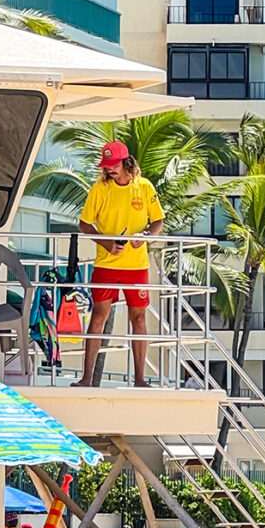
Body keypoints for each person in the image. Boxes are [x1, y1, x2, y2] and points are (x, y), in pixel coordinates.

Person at [75, 141, 164, 389]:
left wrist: (145, 236)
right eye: (106, 165)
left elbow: (158, 221)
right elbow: (84, 224)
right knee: (98, 316)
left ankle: (139, 379)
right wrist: (105, 244)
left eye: (113, 164)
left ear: (126, 162)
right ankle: (86, 378)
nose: (109, 169)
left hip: (136, 266)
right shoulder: (99, 189)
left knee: (139, 318)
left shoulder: (144, 186)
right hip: (106, 264)